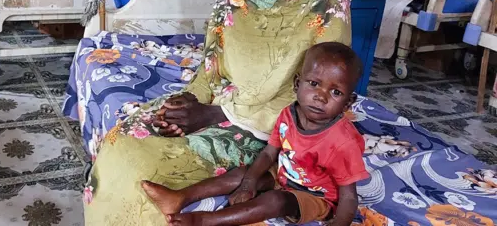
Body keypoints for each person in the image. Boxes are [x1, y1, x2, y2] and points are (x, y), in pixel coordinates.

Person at [82, 0, 353, 224]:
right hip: (221, 101)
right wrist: (193, 99)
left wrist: (217, 116)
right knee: (123, 138)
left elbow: (318, 87)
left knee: (142, 168)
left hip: (276, 129)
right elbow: (216, 48)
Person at [140, 42, 368, 226]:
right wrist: (249, 184)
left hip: (316, 197)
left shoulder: (342, 142)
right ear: (297, 84)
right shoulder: (290, 114)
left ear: (348, 102)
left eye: (335, 91)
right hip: (285, 175)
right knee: (242, 173)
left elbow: (349, 197)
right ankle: (180, 197)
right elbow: (270, 153)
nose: (321, 96)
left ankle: (204, 220)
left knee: (275, 200)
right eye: (314, 83)